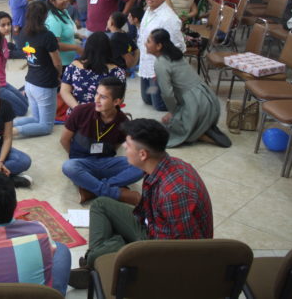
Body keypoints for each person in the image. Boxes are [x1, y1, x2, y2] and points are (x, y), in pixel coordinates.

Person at [68, 119, 213, 289]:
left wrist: (122, 243)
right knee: (101, 204)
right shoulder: (165, 165)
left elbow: (179, 252)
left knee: (100, 252)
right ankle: (97, 263)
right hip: (154, 227)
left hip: (163, 252)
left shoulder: (173, 193)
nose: (124, 146)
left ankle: (94, 262)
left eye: (128, 145)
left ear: (143, 154)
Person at [60, 77, 142, 205]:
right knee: (69, 166)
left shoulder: (123, 122)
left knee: (142, 163)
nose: (96, 99)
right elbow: (64, 140)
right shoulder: (81, 111)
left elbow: (116, 147)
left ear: (116, 101)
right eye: (97, 94)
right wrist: (75, 157)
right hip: (82, 163)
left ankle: (93, 189)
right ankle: (117, 193)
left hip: (105, 163)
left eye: (103, 97)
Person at [147, 29, 231, 148]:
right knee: (167, 121)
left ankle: (199, 134)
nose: (145, 44)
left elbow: (168, 94)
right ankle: (202, 126)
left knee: (164, 130)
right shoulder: (175, 53)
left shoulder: (160, 63)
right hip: (210, 101)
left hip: (197, 105)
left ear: (159, 46)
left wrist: (173, 113)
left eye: (148, 41)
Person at [13, 1, 62, 138]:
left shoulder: (22, 33)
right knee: (46, 126)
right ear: (45, 16)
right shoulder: (47, 36)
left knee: (36, 119)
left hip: (30, 83)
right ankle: (11, 132)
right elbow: (57, 62)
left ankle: (5, 126)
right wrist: (58, 75)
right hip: (44, 85)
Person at [137, 0, 186, 111]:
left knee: (159, 106)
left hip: (159, 67)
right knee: (147, 100)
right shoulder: (149, 9)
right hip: (146, 62)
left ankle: (182, 99)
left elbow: (178, 46)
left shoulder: (169, 18)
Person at [60, 32, 125, 114]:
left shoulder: (73, 67)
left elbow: (64, 91)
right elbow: (120, 99)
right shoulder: (118, 72)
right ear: (109, 49)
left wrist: (78, 109)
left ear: (87, 48)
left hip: (77, 115)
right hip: (105, 116)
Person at [45, 0, 82, 66]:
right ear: (52, 1)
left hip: (70, 62)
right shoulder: (53, 20)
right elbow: (54, 45)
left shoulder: (64, 11)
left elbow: (65, 32)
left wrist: (79, 36)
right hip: (62, 65)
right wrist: (76, 48)